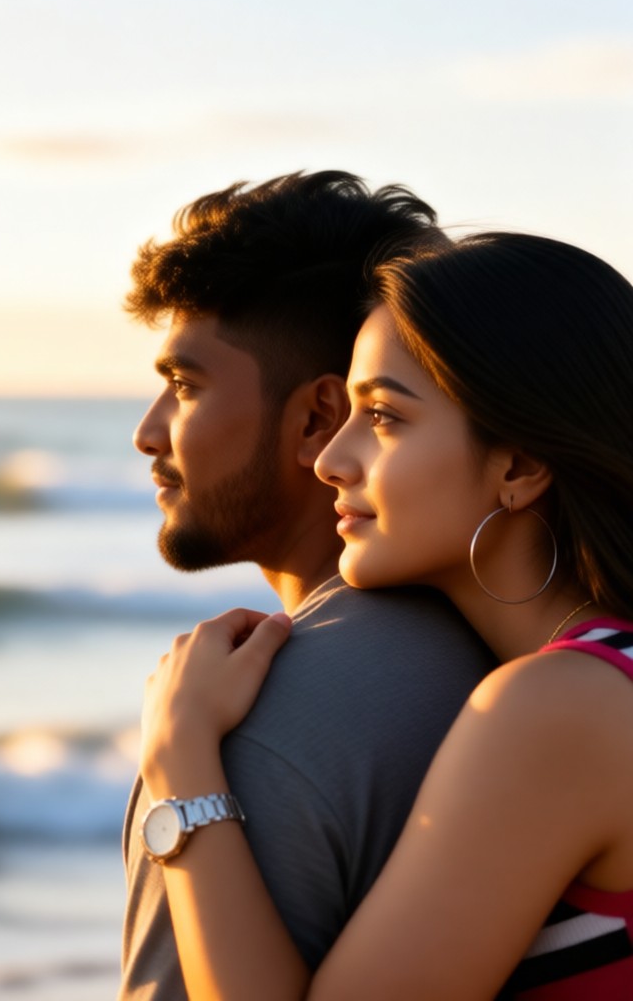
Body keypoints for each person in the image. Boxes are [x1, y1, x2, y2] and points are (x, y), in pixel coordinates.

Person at [138, 231, 633, 999]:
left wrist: (181, 760)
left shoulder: (558, 708)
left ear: (519, 466)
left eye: (385, 418)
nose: (330, 458)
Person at [120, 172, 496, 999]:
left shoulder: (246, 725)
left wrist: (178, 760)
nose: (149, 432)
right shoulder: (500, 648)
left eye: (184, 387)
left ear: (320, 419)